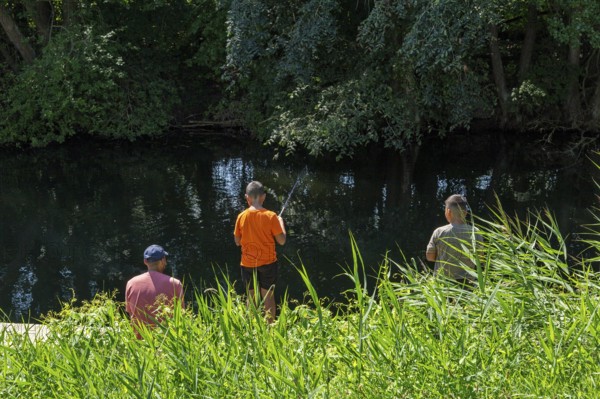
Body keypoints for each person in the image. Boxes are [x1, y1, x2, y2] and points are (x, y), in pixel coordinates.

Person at [234, 181, 286, 323]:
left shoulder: (241, 216)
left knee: (251, 297)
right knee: (268, 296)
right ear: (263, 197)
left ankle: (250, 329)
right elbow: (281, 240)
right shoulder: (271, 216)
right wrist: (281, 223)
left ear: (247, 197)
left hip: (247, 264)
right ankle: (270, 330)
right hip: (268, 264)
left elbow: (237, 241)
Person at [125, 244, 184, 337]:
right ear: (163, 260)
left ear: (145, 261)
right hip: (168, 343)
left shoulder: (131, 283)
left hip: (139, 344)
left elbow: (130, 312)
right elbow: (181, 315)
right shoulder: (175, 284)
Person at [426, 194, 482, 284]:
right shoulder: (475, 232)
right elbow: (480, 257)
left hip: (443, 282)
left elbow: (430, 257)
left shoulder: (439, 232)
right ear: (465, 212)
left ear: (448, 211)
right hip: (467, 283)